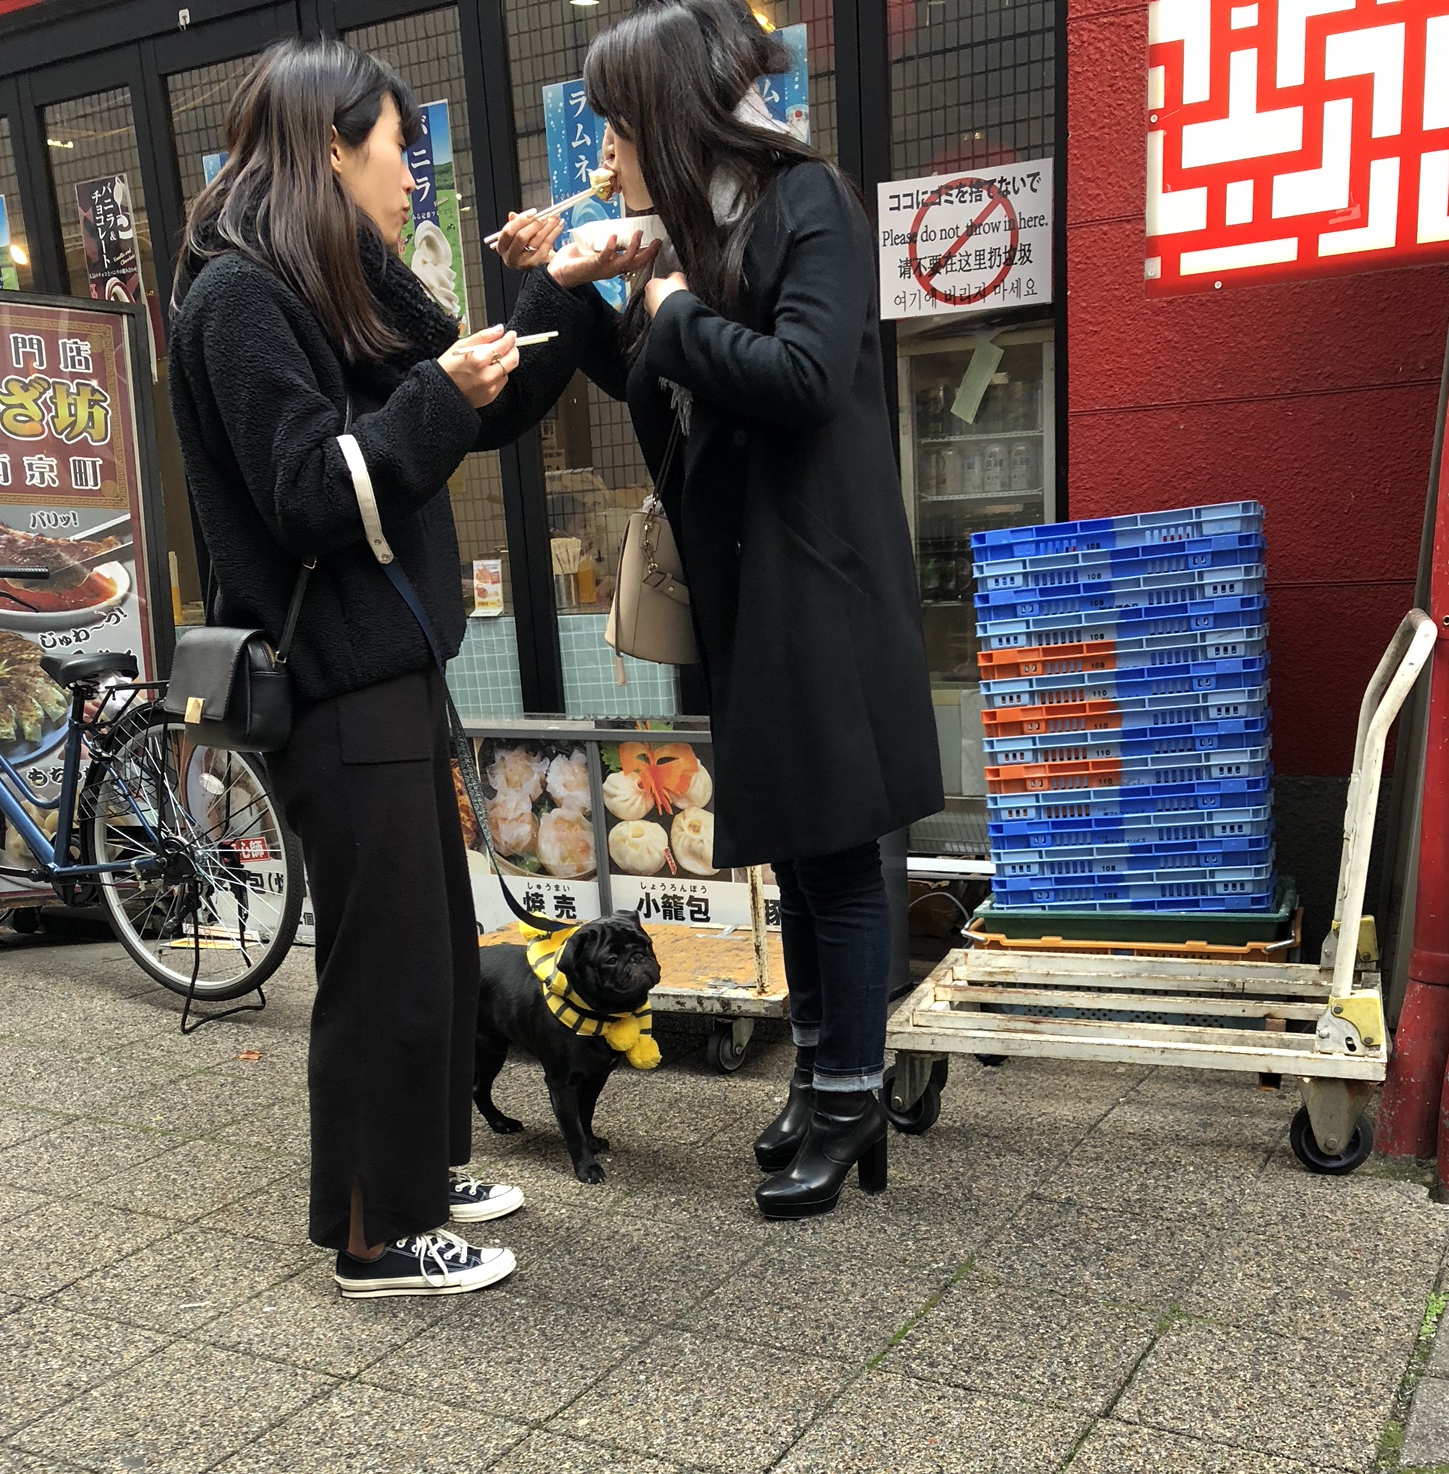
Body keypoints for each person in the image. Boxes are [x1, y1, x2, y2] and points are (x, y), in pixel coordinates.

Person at [169, 39, 650, 1295]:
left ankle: (422, 1172)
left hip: (390, 666)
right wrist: (437, 390)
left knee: (432, 942)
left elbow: (486, 399)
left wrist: (556, 284)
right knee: (382, 962)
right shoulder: (237, 295)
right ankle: (376, 1233)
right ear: (332, 148)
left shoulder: (344, 272)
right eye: (399, 150)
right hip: (333, 679)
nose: (411, 181)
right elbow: (307, 491)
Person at [499, 0, 943, 1219]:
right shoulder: (709, 231)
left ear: (671, 117)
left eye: (616, 125)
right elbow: (661, 375)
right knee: (800, 847)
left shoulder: (807, 203)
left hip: (822, 582)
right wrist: (579, 286)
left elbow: (805, 375)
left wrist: (667, 307)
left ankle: (849, 1100)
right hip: (755, 585)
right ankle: (822, 1077)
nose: (605, 153)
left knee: (837, 850)